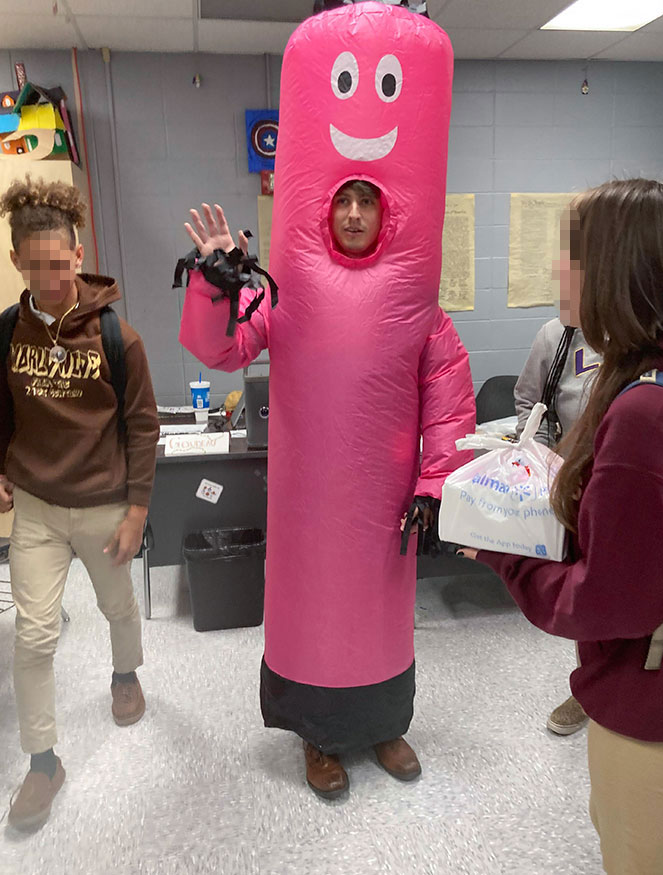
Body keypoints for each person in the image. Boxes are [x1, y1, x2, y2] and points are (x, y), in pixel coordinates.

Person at [177, 0, 476, 799]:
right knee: (313, 613)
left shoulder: (417, 305)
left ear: (387, 209)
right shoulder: (287, 291)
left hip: (385, 506)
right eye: (342, 199)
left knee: (380, 616)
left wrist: (436, 482)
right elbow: (220, 347)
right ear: (324, 206)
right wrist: (215, 282)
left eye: (366, 200)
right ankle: (317, 735)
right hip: (308, 504)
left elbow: (449, 401)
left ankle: (384, 723)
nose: (352, 212)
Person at [459, 178, 663, 874]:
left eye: (572, 252)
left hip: (662, 697)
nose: (556, 267)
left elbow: (612, 602)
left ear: (620, 269)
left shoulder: (647, 414)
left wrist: (507, 554)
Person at [0, 177, 159, 830]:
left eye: (58, 263)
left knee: (117, 606)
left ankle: (125, 674)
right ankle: (43, 763)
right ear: (17, 261)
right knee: (33, 634)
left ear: (77, 253)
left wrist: (137, 511)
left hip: (102, 505)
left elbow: (143, 426)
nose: (49, 279)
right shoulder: (7, 333)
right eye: (34, 266)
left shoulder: (119, 337)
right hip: (36, 509)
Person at [514, 314, 601, 735]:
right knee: (590, 592)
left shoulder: (646, 325)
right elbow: (531, 404)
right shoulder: (557, 334)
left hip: (635, 475)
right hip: (574, 484)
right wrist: (542, 468)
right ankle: (590, 686)